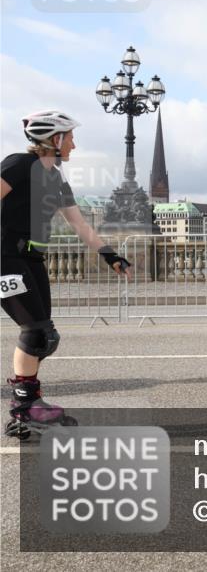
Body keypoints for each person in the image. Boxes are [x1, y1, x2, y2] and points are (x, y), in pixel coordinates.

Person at [1, 110, 132, 439]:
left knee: (44, 337)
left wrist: (110, 255)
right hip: (5, 258)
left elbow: (80, 224)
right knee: (35, 332)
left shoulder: (56, 179)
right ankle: (26, 408)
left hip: (32, 260)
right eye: (70, 137)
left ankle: (27, 407)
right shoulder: (19, 165)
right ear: (54, 139)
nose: (74, 144)